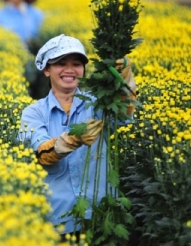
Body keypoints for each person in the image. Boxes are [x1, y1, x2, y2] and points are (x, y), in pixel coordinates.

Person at [18, 34, 137, 240]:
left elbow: (125, 114)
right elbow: (41, 153)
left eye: (76, 63)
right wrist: (73, 139)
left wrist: (125, 78)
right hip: (57, 219)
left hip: (101, 214)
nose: (70, 69)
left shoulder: (99, 104)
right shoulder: (33, 112)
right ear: (47, 70)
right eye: (60, 63)